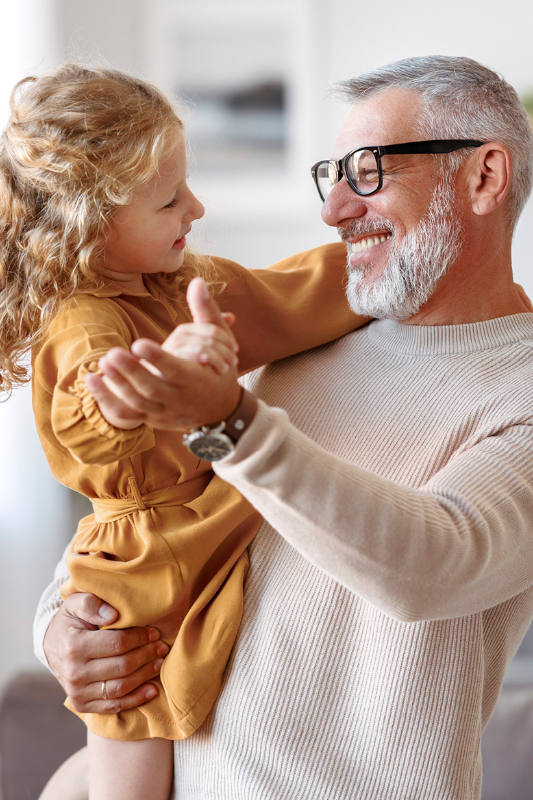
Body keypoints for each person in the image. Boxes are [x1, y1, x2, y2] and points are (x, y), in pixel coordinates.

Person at [35, 54, 533, 799]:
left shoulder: (517, 388)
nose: (334, 210)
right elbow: (156, 510)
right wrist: (62, 629)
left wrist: (229, 421)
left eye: (368, 172)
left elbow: (434, 561)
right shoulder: (301, 342)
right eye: (330, 175)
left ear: (484, 177)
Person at [0, 64, 364, 800]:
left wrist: (388, 264)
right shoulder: (84, 319)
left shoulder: (179, 283)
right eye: (170, 199)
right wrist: (160, 381)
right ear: (89, 223)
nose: (194, 206)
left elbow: (289, 296)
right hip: (141, 571)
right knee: (133, 759)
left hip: (205, 526)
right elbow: (95, 412)